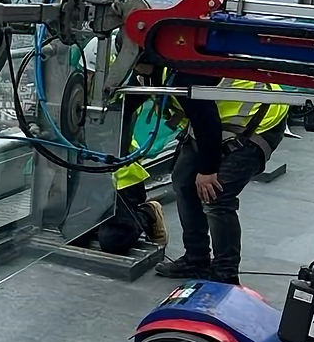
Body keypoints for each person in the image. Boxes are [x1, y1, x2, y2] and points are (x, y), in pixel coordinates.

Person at [155, 74, 289, 285]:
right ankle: (196, 259)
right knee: (183, 182)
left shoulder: (182, 72)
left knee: (217, 195)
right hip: (216, 118)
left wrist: (207, 170)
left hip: (259, 119)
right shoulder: (152, 71)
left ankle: (225, 274)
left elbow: (207, 120)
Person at [74, 38, 170, 254]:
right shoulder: (75, 98)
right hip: (92, 178)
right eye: (86, 75)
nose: (89, 81)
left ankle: (147, 212)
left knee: (114, 240)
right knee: (75, 235)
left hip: (122, 176)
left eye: (93, 76)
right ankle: (101, 221)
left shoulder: (125, 97)